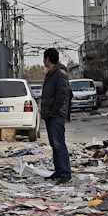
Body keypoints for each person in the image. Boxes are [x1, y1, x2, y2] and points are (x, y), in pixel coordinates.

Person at [40, 48, 72, 184]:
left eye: (44, 58)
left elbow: (62, 95)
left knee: (59, 144)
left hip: (56, 115)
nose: (43, 61)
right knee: (54, 144)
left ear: (47, 59)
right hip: (50, 114)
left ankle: (65, 173)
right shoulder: (52, 74)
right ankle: (59, 170)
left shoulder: (59, 73)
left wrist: (54, 111)